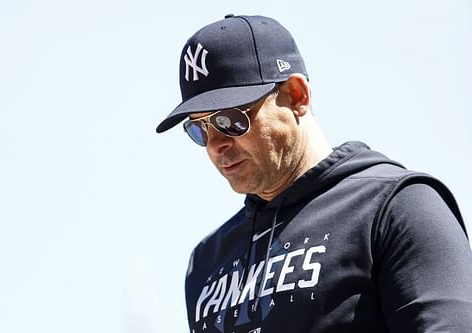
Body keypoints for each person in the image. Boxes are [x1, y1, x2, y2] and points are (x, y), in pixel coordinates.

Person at [155, 14, 472, 333]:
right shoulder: (206, 262)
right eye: (200, 129)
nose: (216, 144)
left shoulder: (397, 208)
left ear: (296, 95)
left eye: (230, 120)